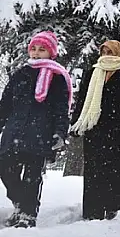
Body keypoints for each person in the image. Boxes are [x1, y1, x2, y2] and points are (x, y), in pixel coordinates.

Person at [0, 31, 72, 228]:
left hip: (40, 135)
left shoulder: (57, 77)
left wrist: (59, 132)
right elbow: (5, 104)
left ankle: (28, 214)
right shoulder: (20, 74)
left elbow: (61, 108)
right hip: (13, 132)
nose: (36, 53)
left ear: (51, 53)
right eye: (34, 48)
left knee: (33, 177)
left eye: (42, 50)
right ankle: (19, 202)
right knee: (5, 170)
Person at [69, 40, 120, 221]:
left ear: (119, 53)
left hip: (117, 130)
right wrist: (76, 123)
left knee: (115, 171)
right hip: (94, 128)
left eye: (111, 51)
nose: (106, 54)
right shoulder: (92, 72)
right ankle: (92, 212)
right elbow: (83, 100)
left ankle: (112, 204)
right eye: (104, 51)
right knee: (93, 172)